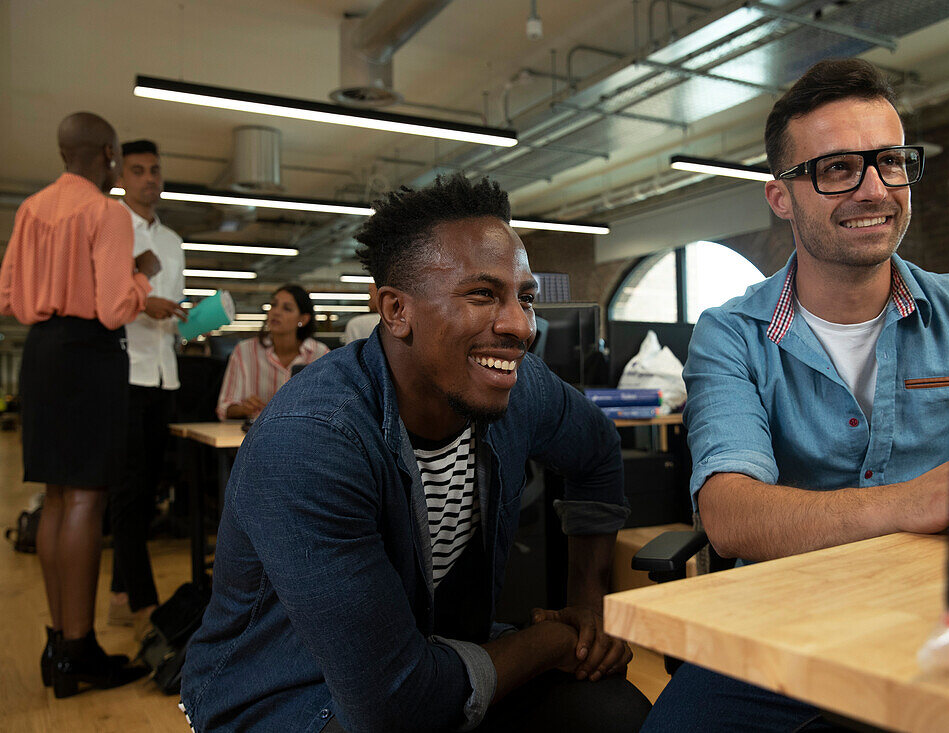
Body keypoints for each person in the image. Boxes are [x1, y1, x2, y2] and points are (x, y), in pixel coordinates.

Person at [180, 174, 651, 732]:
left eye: (524, 297)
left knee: (617, 714)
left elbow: (597, 450)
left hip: (436, 651)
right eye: (483, 295)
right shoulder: (310, 442)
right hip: (290, 693)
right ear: (396, 311)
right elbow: (394, 708)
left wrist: (589, 609)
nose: (521, 326)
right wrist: (555, 638)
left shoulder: (517, 387)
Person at [641, 59, 949, 731]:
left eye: (890, 162)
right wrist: (919, 501)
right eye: (838, 168)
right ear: (781, 196)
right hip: (785, 627)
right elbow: (731, 515)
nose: (874, 189)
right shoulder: (732, 334)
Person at [0, 112, 160, 698]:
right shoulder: (106, 212)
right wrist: (142, 280)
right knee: (88, 499)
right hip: (89, 354)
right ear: (109, 155)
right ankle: (82, 647)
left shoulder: (30, 209)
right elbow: (116, 306)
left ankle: (58, 644)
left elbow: (8, 295)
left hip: (40, 353)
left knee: (58, 496)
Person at [107, 139, 187, 636]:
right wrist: (143, 305)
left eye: (155, 169)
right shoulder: (110, 229)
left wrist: (191, 317)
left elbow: (172, 307)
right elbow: (104, 299)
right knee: (129, 489)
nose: (149, 178)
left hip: (165, 371)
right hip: (124, 370)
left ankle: (120, 593)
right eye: (138, 170)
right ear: (122, 176)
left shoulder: (174, 241)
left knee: (149, 485)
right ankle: (140, 601)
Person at [214, 283, 329, 420]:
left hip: (304, 435)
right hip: (256, 435)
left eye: (287, 308)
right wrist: (243, 409)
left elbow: (329, 408)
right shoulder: (244, 351)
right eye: (273, 305)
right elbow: (224, 407)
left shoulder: (321, 355)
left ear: (303, 319)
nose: (276, 312)